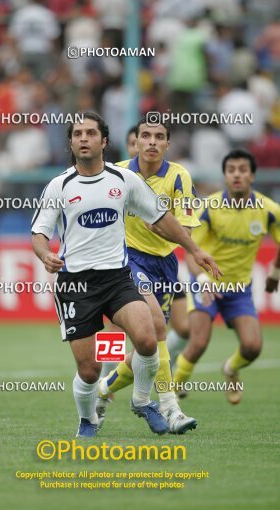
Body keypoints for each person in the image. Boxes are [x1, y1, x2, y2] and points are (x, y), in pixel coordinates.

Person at [31, 112, 221, 437]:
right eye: (78, 133)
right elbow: (39, 233)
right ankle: (92, 412)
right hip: (81, 283)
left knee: (151, 336)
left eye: (91, 133)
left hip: (123, 274)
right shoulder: (59, 185)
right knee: (90, 368)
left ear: (104, 140)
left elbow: (162, 218)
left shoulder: (128, 180)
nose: (84, 138)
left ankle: (149, 401)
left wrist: (194, 249)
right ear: (71, 142)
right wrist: (45, 254)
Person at [97, 117, 206, 434]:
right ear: (136, 141)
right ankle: (170, 407)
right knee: (149, 325)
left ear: (167, 144)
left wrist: (159, 224)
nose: (152, 142)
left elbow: (184, 230)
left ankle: (104, 389)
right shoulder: (117, 173)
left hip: (165, 265)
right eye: (146, 136)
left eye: (160, 137)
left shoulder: (179, 176)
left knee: (147, 344)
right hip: (125, 260)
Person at [173, 149, 280, 404]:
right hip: (205, 284)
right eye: (231, 170)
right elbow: (190, 250)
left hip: (240, 289)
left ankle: (230, 369)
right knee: (198, 342)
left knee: (253, 348)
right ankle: (172, 392)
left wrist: (275, 272)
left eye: (242, 170)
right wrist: (202, 280)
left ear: (252, 176)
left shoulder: (268, 210)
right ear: (224, 176)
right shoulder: (209, 208)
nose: (237, 175)